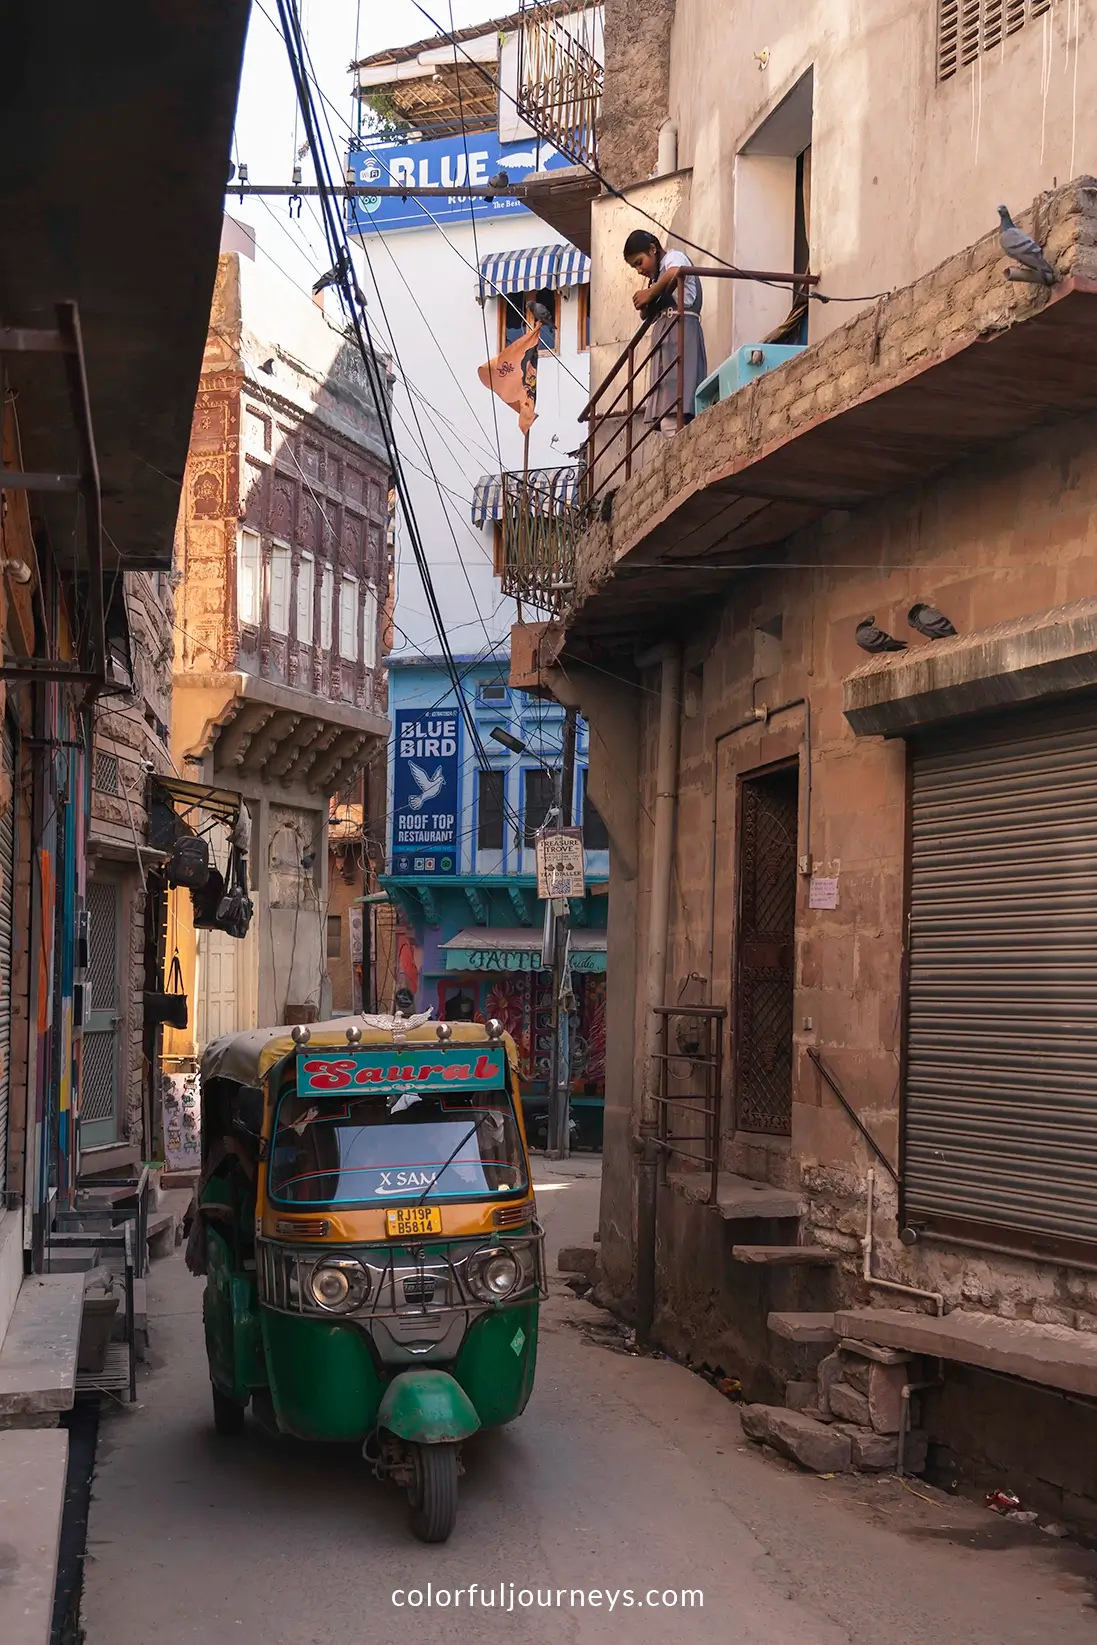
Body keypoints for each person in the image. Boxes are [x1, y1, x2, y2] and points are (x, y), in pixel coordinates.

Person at [623, 229, 708, 434]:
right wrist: (645, 299)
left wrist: (650, 292)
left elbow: (675, 271)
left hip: (680, 329)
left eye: (639, 262)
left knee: (679, 390)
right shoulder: (656, 278)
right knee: (666, 394)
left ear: (653, 249)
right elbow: (646, 316)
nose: (638, 270)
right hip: (665, 336)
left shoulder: (673, 257)